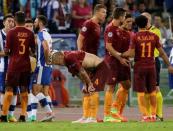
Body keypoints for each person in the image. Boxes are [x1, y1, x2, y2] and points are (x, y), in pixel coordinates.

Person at [121, 15, 173, 122]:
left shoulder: (135, 37)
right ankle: (153, 116)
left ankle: (145, 116)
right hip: (151, 66)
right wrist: (169, 65)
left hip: (140, 67)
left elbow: (131, 53)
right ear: (146, 24)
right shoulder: (154, 36)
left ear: (137, 25)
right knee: (152, 91)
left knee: (141, 92)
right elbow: (162, 53)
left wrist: (121, 54)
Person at [0, 11, 35, 122]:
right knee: (24, 90)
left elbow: (6, 51)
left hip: (14, 65)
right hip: (25, 66)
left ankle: (4, 115)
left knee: (9, 90)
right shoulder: (30, 33)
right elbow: (32, 51)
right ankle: (23, 115)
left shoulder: (11, 33)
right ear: (24, 20)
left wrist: (12, 53)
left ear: (15, 20)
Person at [75, 4, 107, 123]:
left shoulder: (98, 26)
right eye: (103, 12)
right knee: (88, 87)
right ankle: (87, 116)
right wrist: (80, 55)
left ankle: (91, 116)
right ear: (97, 12)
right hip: (86, 59)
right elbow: (80, 39)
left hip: (92, 60)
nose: (105, 14)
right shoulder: (88, 24)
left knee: (90, 87)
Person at [104, 7, 130, 122]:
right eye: (124, 16)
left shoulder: (118, 29)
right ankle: (107, 115)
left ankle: (115, 110)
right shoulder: (110, 29)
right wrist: (120, 58)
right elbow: (108, 46)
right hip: (113, 62)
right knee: (111, 87)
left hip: (120, 61)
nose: (124, 18)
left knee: (127, 84)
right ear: (120, 17)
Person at [142, 12, 163, 121]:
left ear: (148, 19)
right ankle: (149, 115)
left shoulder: (156, 31)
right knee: (145, 89)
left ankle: (159, 114)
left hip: (153, 61)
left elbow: (158, 46)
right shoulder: (140, 31)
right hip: (143, 62)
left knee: (155, 87)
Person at [32, 15, 54, 122]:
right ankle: (50, 114)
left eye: (35, 22)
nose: (34, 24)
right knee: (45, 91)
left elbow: (45, 47)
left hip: (42, 65)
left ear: (40, 23)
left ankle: (49, 112)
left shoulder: (41, 34)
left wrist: (45, 60)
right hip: (48, 66)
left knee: (35, 90)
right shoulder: (48, 34)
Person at [0, 14, 18, 122]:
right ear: (4, 23)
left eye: (12, 21)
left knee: (15, 91)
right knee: (3, 91)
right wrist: (8, 53)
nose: (11, 23)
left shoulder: (16, 34)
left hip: (15, 67)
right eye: (9, 21)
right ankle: (3, 114)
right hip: (2, 67)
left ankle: (11, 115)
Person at [24, 19, 38, 122]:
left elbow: (34, 51)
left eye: (31, 26)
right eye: (27, 26)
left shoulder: (36, 37)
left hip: (34, 66)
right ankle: (30, 115)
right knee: (27, 91)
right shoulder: (22, 36)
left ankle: (33, 115)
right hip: (23, 66)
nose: (29, 27)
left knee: (33, 91)